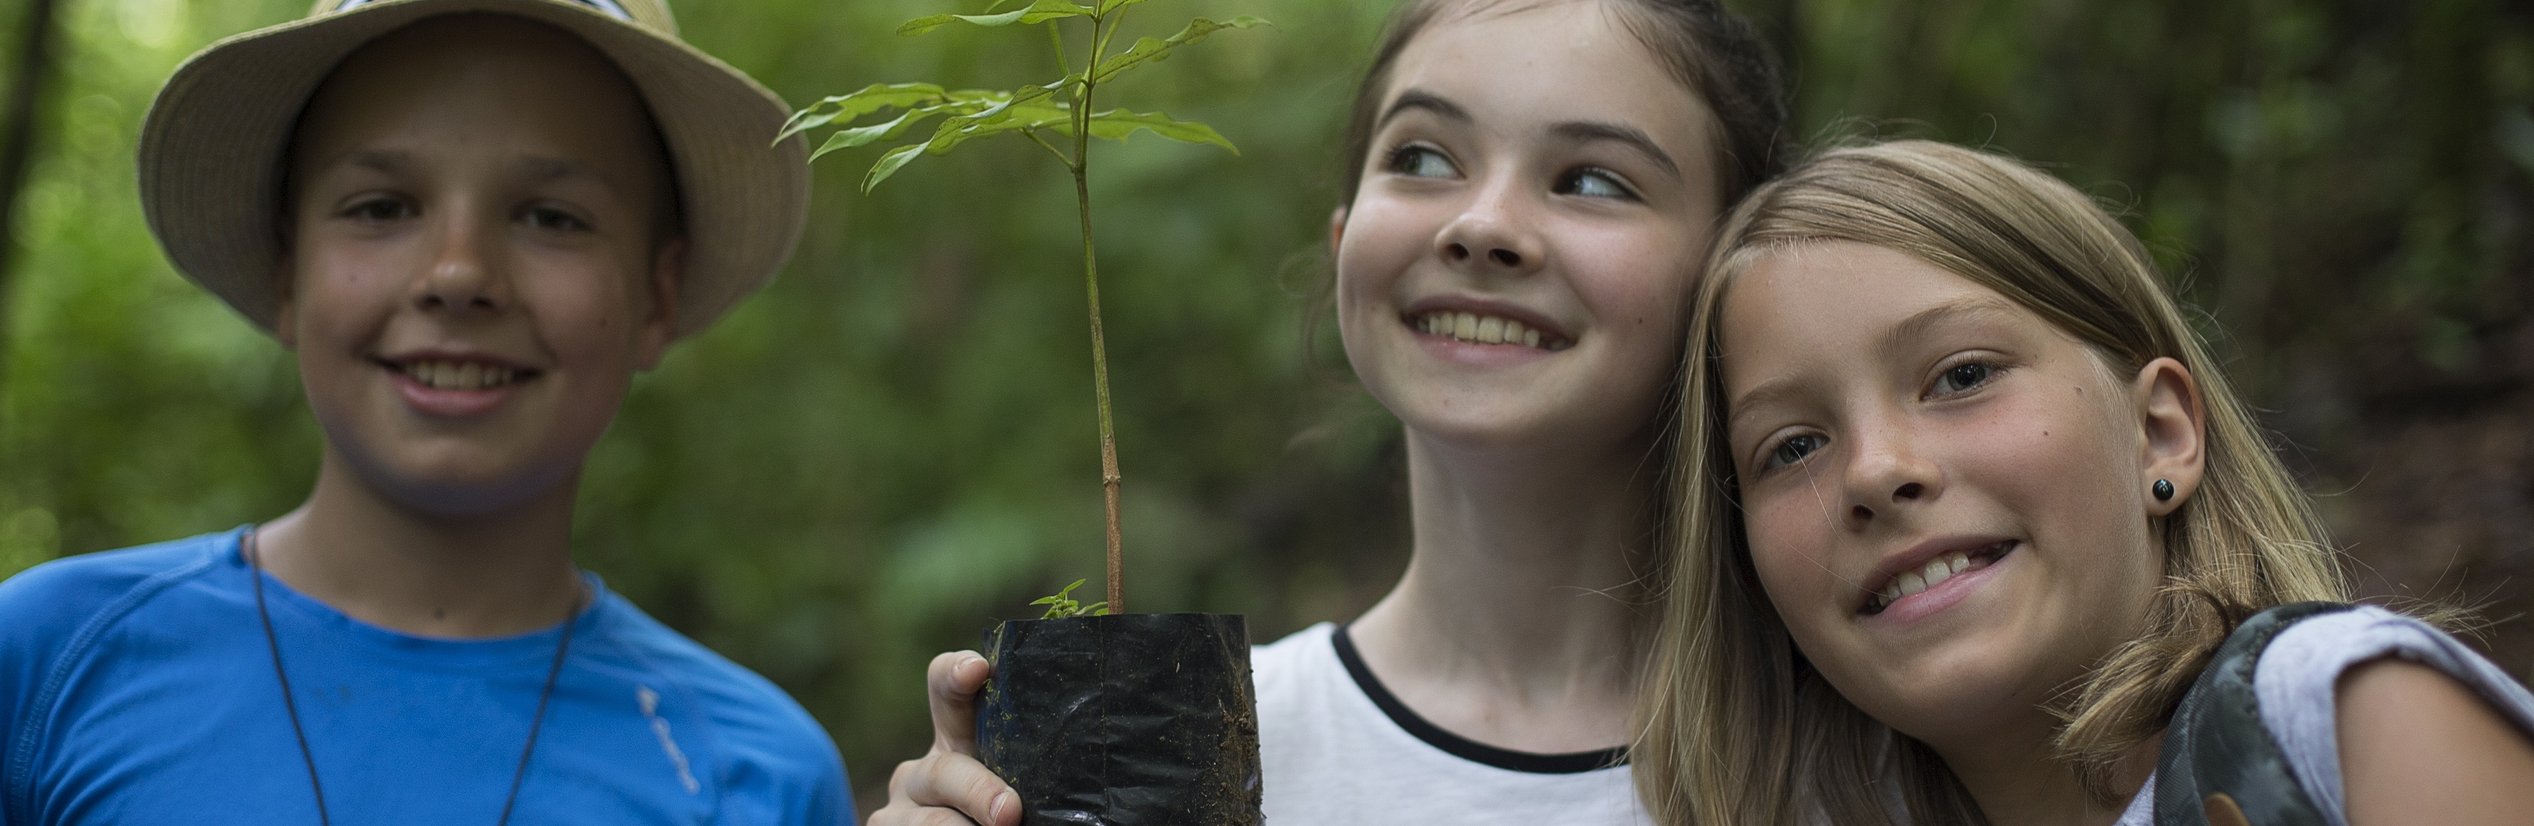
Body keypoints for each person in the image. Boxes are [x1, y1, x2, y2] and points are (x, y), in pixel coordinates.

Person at [870, 0, 1786, 823]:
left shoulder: (1870, 752)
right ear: (1345, 239)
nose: (1480, 225)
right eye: (1423, 157)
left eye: (1593, 179)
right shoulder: (1195, 749)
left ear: (1735, 271)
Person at [0, 0, 851, 823]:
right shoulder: (47, 669)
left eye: (552, 217)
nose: (458, 274)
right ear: (289, 271)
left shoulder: (755, 774)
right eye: (382, 207)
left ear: (655, 299)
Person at [1632, 139, 2534, 825]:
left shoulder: (2327, 713)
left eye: (1962, 376)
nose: (1873, 471)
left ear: (2160, 433)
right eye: (1792, 448)